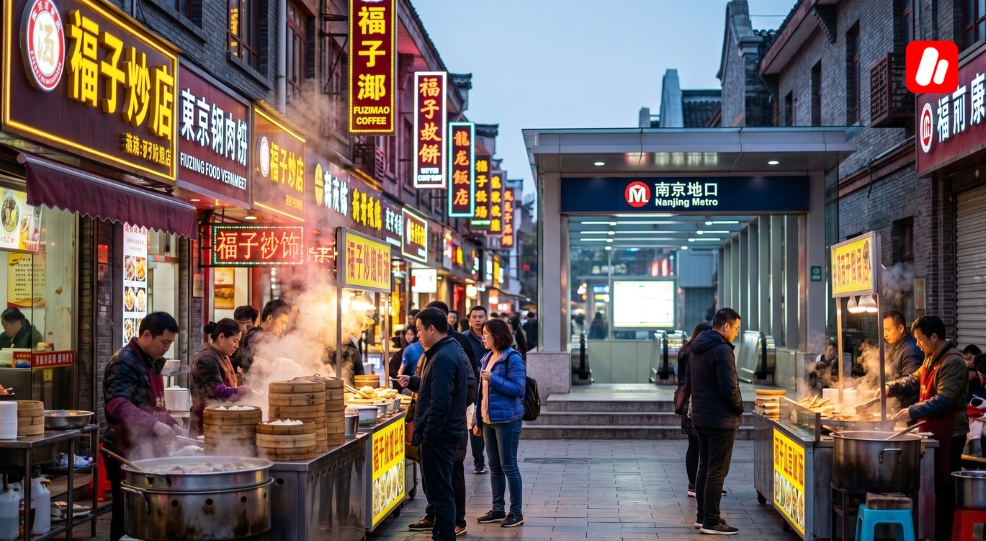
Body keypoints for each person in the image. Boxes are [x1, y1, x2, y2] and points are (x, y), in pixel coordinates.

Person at [885, 315, 969, 541]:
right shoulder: (931, 357)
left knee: (944, 490)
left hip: (950, 432)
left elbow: (944, 400)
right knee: (932, 487)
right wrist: (889, 387)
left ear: (934, 336)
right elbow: (913, 379)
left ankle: (943, 535)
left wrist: (911, 411)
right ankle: (928, 532)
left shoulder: (953, 361)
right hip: (932, 429)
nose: (918, 344)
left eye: (920, 339)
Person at [103, 312, 184, 541]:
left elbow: (150, 404)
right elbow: (116, 404)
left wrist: (172, 424)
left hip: (146, 446)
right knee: (127, 508)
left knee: (150, 508)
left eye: (170, 343)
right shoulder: (124, 361)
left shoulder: (150, 360)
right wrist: (154, 424)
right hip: (123, 448)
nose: (167, 348)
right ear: (146, 335)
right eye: (164, 342)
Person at [397, 308, 470, 541]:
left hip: (439, 436)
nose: (417, 334)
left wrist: (428, 435)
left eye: (419, 329)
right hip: (441, 434)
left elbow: (440, 402)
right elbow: (434, 387)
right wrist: (415, 381)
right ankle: (441, 534)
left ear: (431, 328)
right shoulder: (440, 351)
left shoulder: (445, 356)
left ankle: (444, 537)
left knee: (440, 493)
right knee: (439, 491)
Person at [690, 308, 743, 535]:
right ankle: (712, 520)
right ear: (726, 326)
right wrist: (739, 407)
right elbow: (729, 387)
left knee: (705, 468)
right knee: (716, 471)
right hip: (720, 419)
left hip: (701, 416)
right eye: (737, 329)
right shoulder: (722, 349)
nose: (737, 334)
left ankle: (702, 517)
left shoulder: (698, 347)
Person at [473, 318, 527, 527]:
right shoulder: (487, 357)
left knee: (509, 465)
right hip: (488, 420)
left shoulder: (512, 358)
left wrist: (493, 379)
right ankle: (497, 508)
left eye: (486, 333)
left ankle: (516, 512)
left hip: (507, 420)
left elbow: (517, 389)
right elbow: (481, 394)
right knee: (494, 466)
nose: (483, 336)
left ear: (497, 335)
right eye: (483, 332)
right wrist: (477, 419)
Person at [189, 319, 252, 437]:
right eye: (235, 341)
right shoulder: (207, 358)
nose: (237, 346)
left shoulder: (222, 356)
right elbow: (218, 391)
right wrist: (247, 391)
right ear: (221, 337)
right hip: (204, 425)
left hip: (219, 423)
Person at [676, 322, 712, 497]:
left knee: (693, 445)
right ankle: (700, 485)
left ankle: (694, 484)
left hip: (686, 401)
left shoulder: (684, 350)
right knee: (702, 445)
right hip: (696, 401)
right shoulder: (697, 352)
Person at [464, 306, 490, 474]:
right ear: (469, 319)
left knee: (488, 421)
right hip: (472, 386)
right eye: (474, 317)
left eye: (481, 316)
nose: (478, 320)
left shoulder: (493, 336)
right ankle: (478, 461)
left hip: (491, 384)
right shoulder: (464, 339)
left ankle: (489, 457)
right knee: (474, 422)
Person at [232, 299, 290, 374]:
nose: (284, 327)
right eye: (282, 322)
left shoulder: (272, 338)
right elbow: (253, 370)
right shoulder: (255, 337)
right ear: (270, 318)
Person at [883, 310, 923, 410]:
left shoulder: (910, 350)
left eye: (888, 330)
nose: (885, 335)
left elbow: (911, 382)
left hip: (906, 412)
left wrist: (890, 387)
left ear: (900, 328)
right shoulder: (897, 345)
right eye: (883, 330)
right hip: (895, 408)